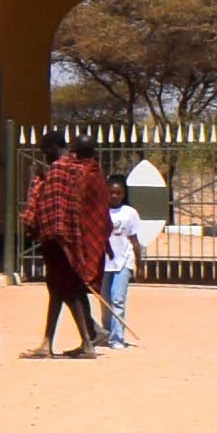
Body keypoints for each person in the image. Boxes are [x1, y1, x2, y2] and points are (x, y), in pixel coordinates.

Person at [23, 137, 111, 357]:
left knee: (70, 291)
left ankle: (88, 341)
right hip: (73, 238)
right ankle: (47, 343)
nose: (45, 156)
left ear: (53, 148)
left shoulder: (60, 170)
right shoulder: (81, 170)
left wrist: (33, 184)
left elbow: (50, 204)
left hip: (59, 239)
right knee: (58, 290)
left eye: (45, 152)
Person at [98, 161, 152, 351]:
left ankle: (117, 337)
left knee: (118, 299)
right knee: (104, 300)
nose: (114, 196)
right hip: (103, 263)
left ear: (124, 194)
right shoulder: (99, 211)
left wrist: (140, 264)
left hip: (123, 261)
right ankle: (106, 332)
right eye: (111, 192)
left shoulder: (130, 213)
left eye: (118, 193)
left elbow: (135, 241)